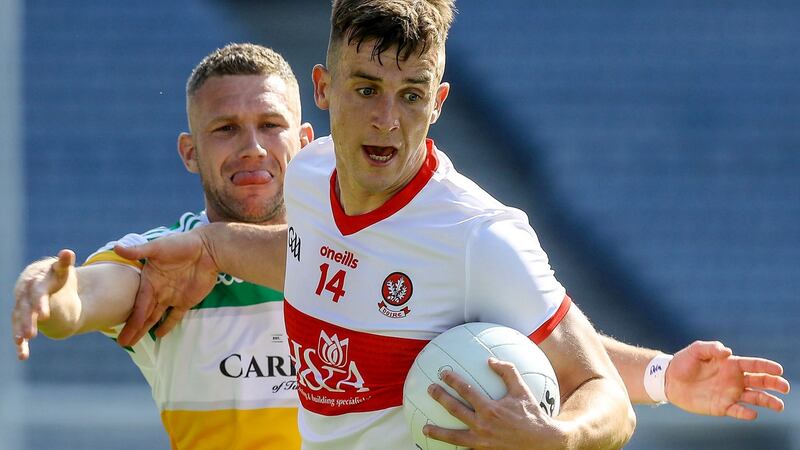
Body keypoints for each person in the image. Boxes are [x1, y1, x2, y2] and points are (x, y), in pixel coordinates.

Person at [102, 2, 789, 449]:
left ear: (439, 101)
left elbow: (600, 389)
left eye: (411, 95)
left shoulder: (480, 236)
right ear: (324, 89)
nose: (386, 120)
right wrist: (215, 245)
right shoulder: (309, 177)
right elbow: (314, 257)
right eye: (366, 89)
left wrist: (562, 438)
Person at [12, 43, 314, 450]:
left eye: (271, 124)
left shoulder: (357, 250)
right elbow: (85, 295)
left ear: (305, 141)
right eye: (226, 128)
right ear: (190, 153)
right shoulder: (166, 260)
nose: (252, 147)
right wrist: (52, 291)